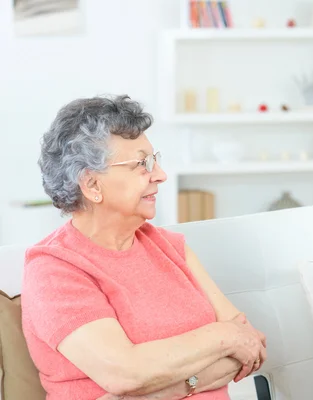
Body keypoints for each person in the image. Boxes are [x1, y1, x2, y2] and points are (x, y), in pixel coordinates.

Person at [21, 95, 267, 400]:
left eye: (155, 160)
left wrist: (156, 391)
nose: (160, 175)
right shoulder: (55, 269)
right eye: (142, 164)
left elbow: (250, 346)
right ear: (92, 185)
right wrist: (223, 337)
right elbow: (124, 373)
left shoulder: (169, 247)